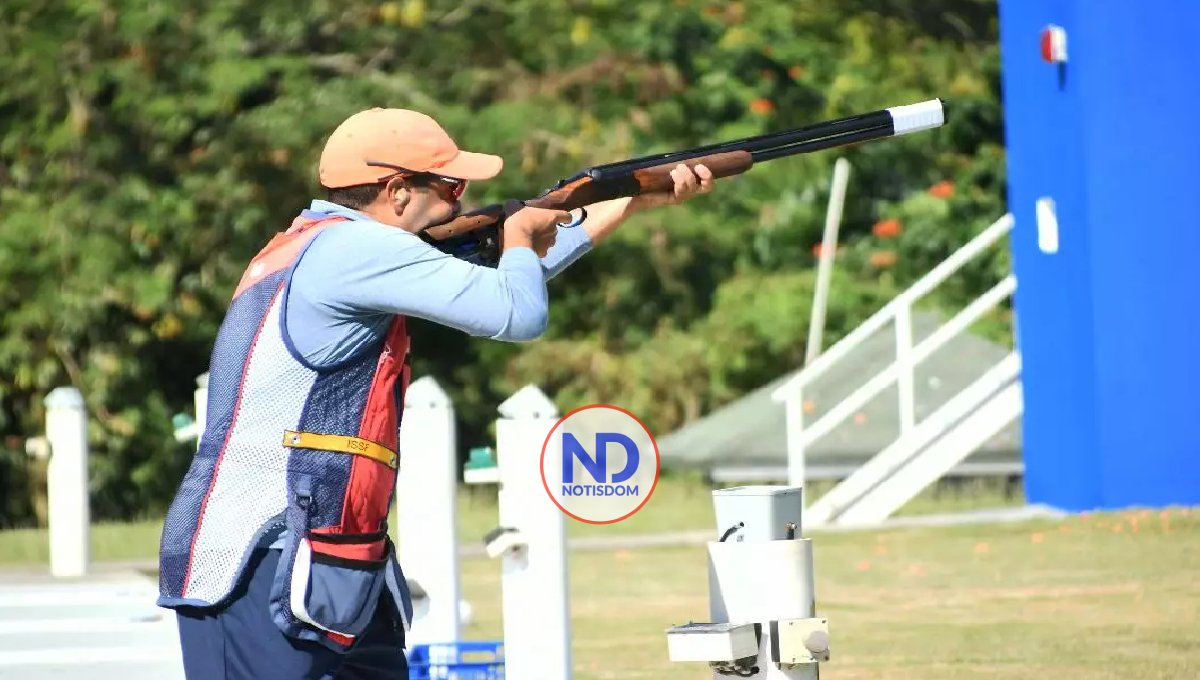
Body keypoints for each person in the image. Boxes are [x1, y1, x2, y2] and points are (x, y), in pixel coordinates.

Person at [155, 107, 714, 680]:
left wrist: (628, 199)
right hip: (259, 560)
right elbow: (517, 311)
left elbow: (505, 281)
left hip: (328, 556)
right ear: (397, 191)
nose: (458, 202)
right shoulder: (355, 251)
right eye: (450, 186)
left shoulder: (324, 245)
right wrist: (521, 234)